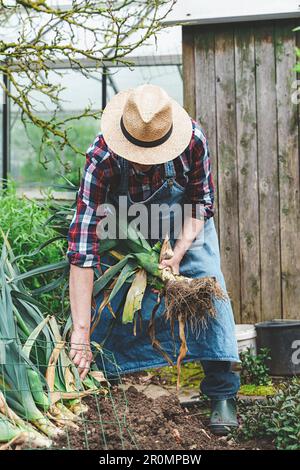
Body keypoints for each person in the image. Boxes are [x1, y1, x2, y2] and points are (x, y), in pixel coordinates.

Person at [67, 84, 240, 435]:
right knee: (107, 302)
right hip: (126, 230)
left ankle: (223, 394)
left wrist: (176, 255)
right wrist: (80, 332)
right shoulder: (101, 156)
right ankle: (107, 385)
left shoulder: (192, 139)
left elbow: (200, 203)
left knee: (208, 287)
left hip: (184, 226)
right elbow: (83, 247)